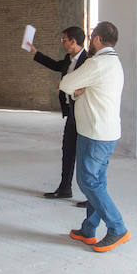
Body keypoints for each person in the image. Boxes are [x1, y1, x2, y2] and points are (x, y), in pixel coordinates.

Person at [57, 20, 129, 252]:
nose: (90, 42)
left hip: (95, 132)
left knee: (87, 181)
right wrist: (81, 92)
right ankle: (89, 229)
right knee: (98, 181)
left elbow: (66, 83)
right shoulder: (114, 62)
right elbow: (90, 93)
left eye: (91, 38)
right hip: (105, 131)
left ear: (97, 39)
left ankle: (117, 227)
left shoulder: (97, 63)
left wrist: (76, 89)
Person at [23, 26, 88, 201]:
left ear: (73, 41)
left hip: (84, 115)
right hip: (72, 114)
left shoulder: (88, 60)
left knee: (86, 156)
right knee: (68, 150)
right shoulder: (69, 59)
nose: (62, 43)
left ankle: (93, 198)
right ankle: (65, 188)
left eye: (64, 40)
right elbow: (56, 65)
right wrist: (35, 53)